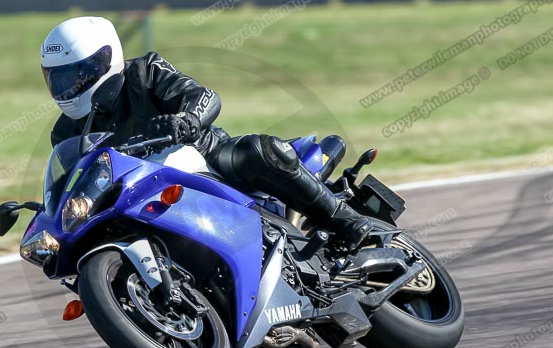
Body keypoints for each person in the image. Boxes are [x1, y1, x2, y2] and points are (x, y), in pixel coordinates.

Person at [42, 16, 372, 249]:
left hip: (204, 157)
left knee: (259, 151)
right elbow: (75, 179)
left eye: (79, 74)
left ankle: (342, 219)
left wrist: (187, 121)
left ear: (106, 59)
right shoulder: (65, 131)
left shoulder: (144, 72)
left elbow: (203, 96)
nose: (69, 87)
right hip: (136, 192)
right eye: (59, 78)